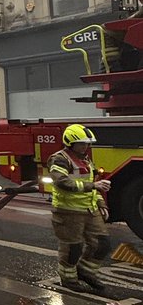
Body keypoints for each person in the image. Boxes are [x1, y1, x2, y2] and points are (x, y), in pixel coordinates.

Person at [47, 123, 111, 293]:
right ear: (70, 143)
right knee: (72, 248)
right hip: (68, 212)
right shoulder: (59, 159)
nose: (86, 147)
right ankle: (68, 279)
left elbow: (93, 185)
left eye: (88, 144)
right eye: (82, 143)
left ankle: (86, 272)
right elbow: (62, 182)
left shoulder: (85, 159)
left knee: (102, 243)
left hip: (89, 210)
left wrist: (100, 203)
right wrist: (94, 186)